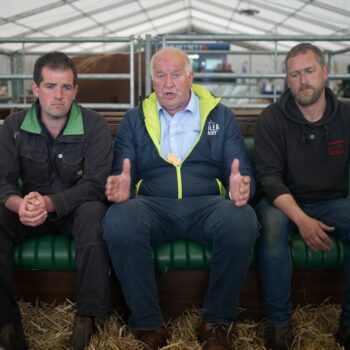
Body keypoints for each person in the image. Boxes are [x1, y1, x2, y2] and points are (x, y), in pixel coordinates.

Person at [102, 46, 259, 350]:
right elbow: (123, 171)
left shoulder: (220, 116)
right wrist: (121, 188)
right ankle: (148, 325)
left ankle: (215, 324)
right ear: (152, 80)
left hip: (208, 205)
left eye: (176, 75)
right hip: (153, 205)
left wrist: (241, 189)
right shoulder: (134, 120)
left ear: (190, 77)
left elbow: (242, 170)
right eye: (160, 76)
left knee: (242, 220)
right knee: (119, 220)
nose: (168, 83)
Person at [0, 52, 113, 350]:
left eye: (66, 87)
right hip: (27, 212)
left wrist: (50, 203)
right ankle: (6, 322)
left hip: (74, 211)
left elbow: (96, 184)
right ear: (35, 89)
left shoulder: (94, 126)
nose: (58, 95)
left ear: (76, 90)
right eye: (50, 86)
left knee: (93, 213)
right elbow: (3, 180)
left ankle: (88, 317)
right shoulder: (12, 127)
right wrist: (18, 204)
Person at [254, 42, 350, 350]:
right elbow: (269, 179)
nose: (302, 80)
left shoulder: (346, 116)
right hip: (281, 202)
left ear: (325, 72)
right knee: (271, 230)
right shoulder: (271, 118)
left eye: (309, 71)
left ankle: (347, 324)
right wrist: (303, 219)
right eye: (294, 74)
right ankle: (279, 327)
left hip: (332, 201)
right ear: (286, 79)